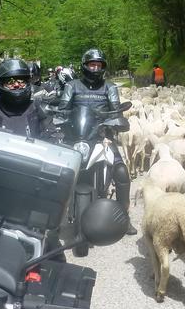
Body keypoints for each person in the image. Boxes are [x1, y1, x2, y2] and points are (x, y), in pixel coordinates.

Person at [58, 47, 136, 234]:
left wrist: (117, 121)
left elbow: (116, 109)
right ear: (84, 66)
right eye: (92, 64)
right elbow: (63, 108)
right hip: (76, 137)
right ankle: (51, 216)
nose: (95, 68)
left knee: (121, 171)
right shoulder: (72, 86)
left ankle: (124, 216)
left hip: (102, 137)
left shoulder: (110, 87)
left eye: (98, 65)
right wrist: (58, 117)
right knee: (56, 172)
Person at [0, 58, 54, 140]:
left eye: (21, 81)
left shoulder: (40, 109)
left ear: (28, 82)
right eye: (10, 81)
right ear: (1, 83)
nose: (16, 84)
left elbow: (53, 142)